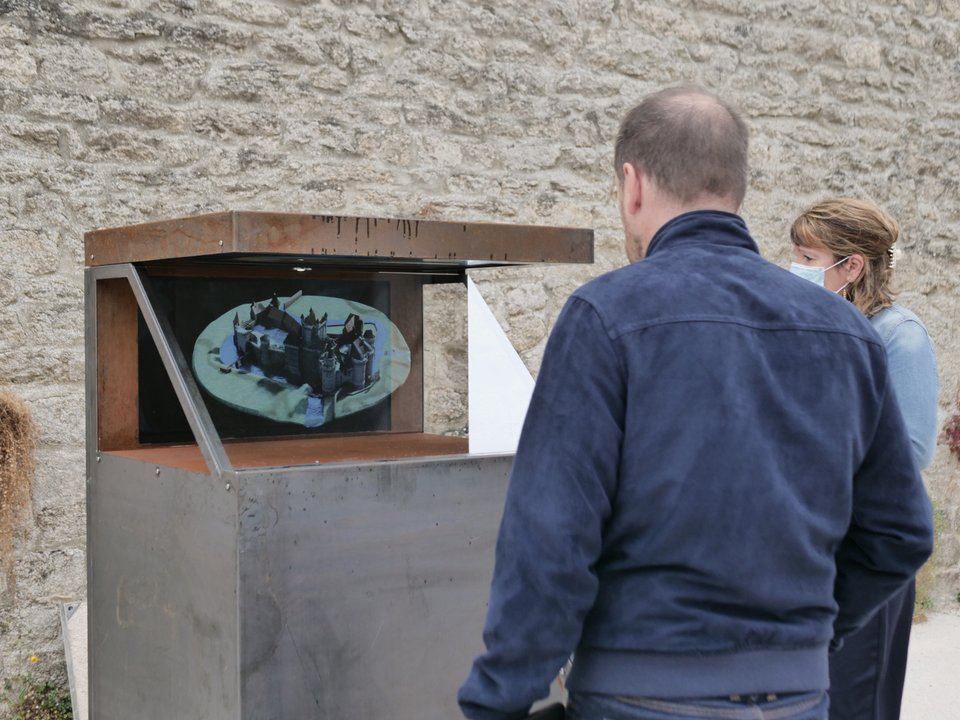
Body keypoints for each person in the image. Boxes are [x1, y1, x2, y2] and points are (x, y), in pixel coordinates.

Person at [457, 86, 934, 720]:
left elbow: (550, 540)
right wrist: (803, 641)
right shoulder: (845, 330)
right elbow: (899, 533)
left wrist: (499, 701)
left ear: (632, 186)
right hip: (796, 696)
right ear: (735, 187)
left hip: (641, 692)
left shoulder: (605, 315)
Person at [789, 198, 939, 720]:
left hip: (869, 546)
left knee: (858, 701)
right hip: (816, 541)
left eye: (809, 257)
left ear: (851, 266)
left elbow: (914, 447)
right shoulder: (817, 326)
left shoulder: (900, 336)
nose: (798, 268)